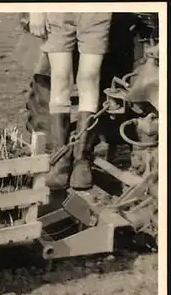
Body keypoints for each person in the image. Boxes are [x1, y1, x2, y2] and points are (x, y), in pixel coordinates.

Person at [28, 12, 112, 190]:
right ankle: (61, 162)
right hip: (58, 10)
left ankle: (82, 160)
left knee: (89, 77)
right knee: (60, 78)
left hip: (95, 11)